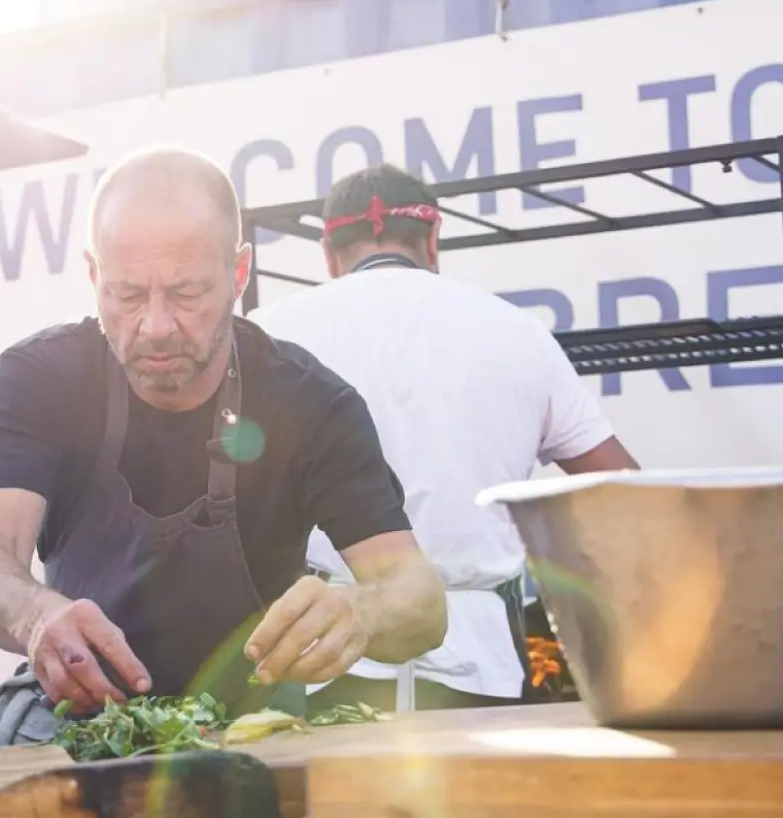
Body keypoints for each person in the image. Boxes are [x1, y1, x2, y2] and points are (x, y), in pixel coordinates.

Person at [0, 148, 447, 746]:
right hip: (78, 723)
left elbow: (421, 601)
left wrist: (363, 612)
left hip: (251, 733)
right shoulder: (40, 379)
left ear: (238, 274)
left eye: (187, 293)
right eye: (128, 294)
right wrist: (35, 615)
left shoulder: (311, 404)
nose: (157, 326)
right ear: (93, 275)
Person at [249, 163, 638, 714]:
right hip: (483, 668)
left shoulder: (271, 335)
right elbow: (627, 492)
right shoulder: (518, 332)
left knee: (329, 801)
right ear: (432, 242)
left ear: (329, 254)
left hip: (322, 660)